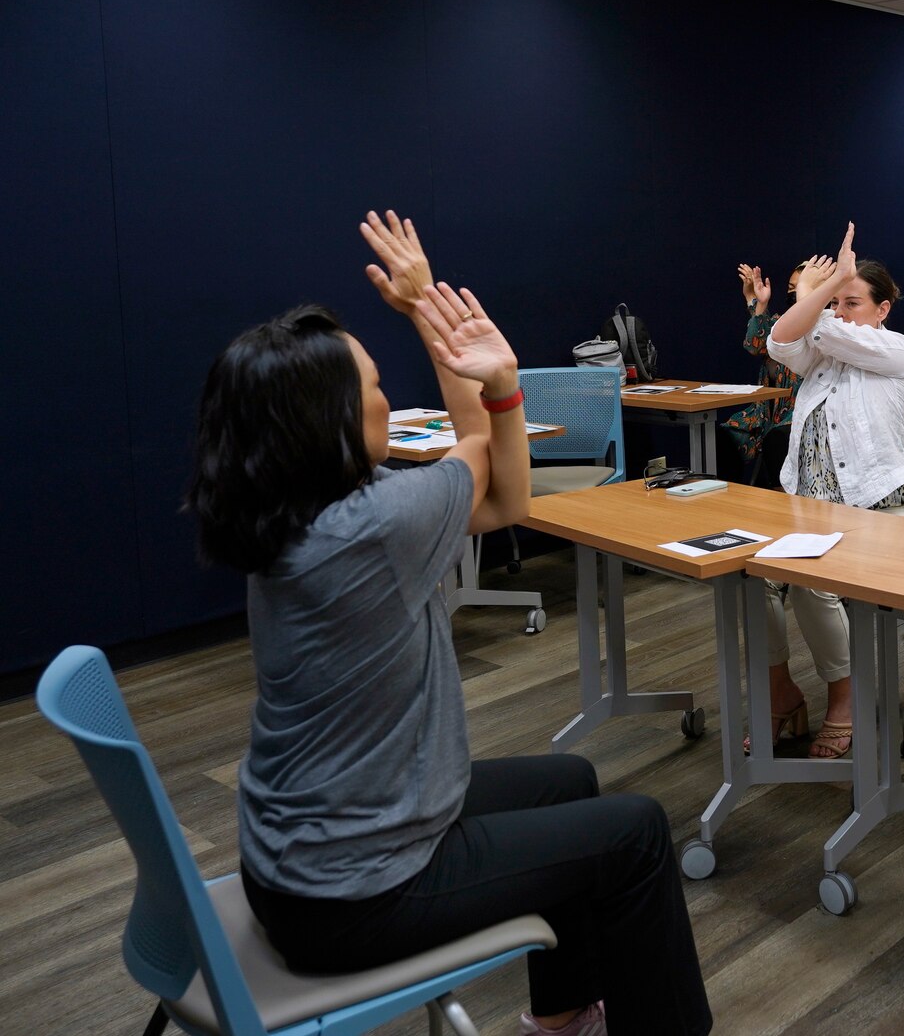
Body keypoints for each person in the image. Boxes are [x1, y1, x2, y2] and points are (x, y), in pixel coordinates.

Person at [186, 212, 711, 1036]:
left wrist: (431, 310)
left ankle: (565, 1017)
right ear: (323, 425)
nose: (388, 401)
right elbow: (504, 490)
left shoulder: (279, 514)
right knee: (637, 833)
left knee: (569, 780)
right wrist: (486, 371)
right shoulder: (376, 523)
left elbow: (483, 480)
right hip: (357, 895)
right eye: (371, 388)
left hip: (298, 865)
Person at [759, 222, 904, 759]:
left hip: (879, 516)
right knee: (748, 575)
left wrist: (816, 292)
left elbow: (821, 329)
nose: (840, 311)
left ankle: (844, 699)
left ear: (883, 309)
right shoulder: (818, 357)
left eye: (853, 301)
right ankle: (782, 692)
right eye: (837, 301)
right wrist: (818, 294)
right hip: (809, 513)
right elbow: (781, 340)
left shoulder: (896, 349)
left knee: (809, 583)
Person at [721, 262, 803, 486]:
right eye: (790, 287)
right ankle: (724, 502)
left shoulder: (826, 325)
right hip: (763, 415)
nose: (794, 293)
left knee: (777, 441)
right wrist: (757, 302)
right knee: (723, 437)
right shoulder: (780, 323)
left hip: (798, 417)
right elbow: (754, 344)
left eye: (801, 287)